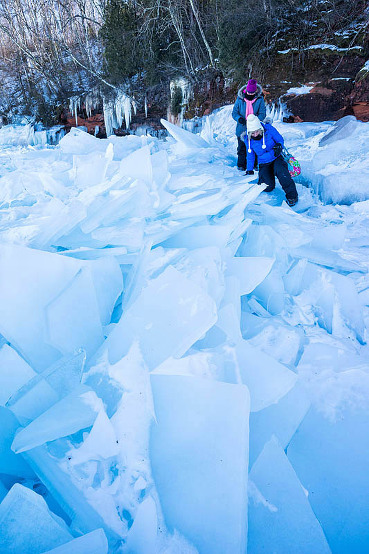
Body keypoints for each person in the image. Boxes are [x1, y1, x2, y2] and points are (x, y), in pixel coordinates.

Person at [244, 113, 298, 207]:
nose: (255, 134)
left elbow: (280, 139)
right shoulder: (248, 140)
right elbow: (250, 155)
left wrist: (279, 145)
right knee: (267, 187)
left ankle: (292, 196)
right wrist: (249, 169)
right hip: (263, 163)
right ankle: (266, 177)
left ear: (260, 128)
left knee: (282, 173)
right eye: (253, 133)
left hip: (276, 157)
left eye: (257, 131)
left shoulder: (269, 129)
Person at [232, 79, 266, 171]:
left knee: (254, 147)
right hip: (242, 128)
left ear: (256, 91)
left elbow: (262, 113)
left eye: (252, 93)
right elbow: (234, 113)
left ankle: (254, 166)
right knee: (241, 148)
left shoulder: (260, 99)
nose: (250, 94)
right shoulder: (240, 99)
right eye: (249, 92)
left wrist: (254, 121)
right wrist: (239, 119)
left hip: (255, 129)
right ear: (246, 90)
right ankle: (241, 166)